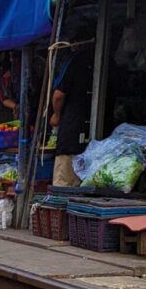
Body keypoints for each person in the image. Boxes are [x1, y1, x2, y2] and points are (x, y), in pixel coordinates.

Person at [50, 44, 95, 186]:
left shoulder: (74, 61)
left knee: (64, 183)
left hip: (71, 135)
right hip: (92, 140)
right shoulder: (106, 61)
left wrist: (56, 115)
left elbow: (58, 95)